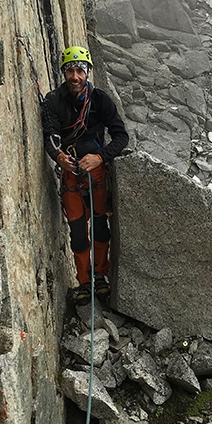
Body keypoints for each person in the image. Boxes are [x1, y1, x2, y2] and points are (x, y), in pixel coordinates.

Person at [42, 46, 129, 304]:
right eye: (70, 70)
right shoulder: (53, 101)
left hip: (96, 173)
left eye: (80, 70)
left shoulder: (100, 101)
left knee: (101, 228)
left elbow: (121, 136)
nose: (75, 76)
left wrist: (100, 157)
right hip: (72, 174)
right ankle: (84, 282)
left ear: (88, 73)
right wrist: (59, 157)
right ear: (64, 73)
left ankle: (100, 277)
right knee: (79, 232)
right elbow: (50, 135)